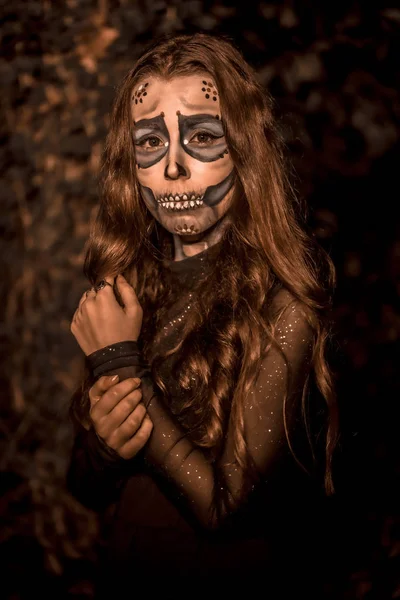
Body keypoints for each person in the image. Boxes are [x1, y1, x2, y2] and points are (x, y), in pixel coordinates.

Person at [67, 33, 339, 599]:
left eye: (203, 137)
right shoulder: (128, 293)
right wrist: (103, 443)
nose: (172, 169)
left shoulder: (282, 307)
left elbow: (226, 510)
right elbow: (88, 486)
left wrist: (120, 361)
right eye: (149, 142)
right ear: (129, 162)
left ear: (246, 150)